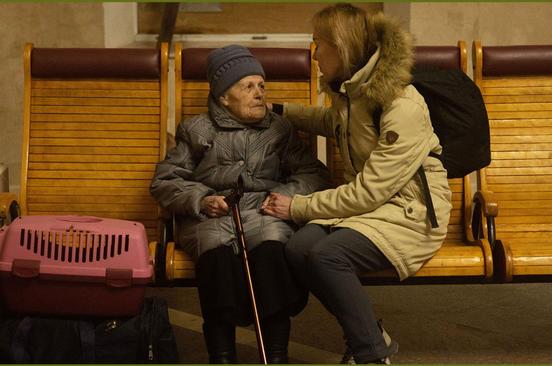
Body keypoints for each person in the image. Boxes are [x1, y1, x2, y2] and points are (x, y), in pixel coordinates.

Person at [262, 3, 452, 364]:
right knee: (298, 248)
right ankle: (369, 332)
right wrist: (280, 111)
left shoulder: (401, 105)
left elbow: (369, 192)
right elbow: (335, 122)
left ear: (342, 46)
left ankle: (371, 353)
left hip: (411, 213)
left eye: (319, 43)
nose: (314, 53)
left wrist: (297, 207)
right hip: (374, 210)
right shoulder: (355, 93)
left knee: (326, 255)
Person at [150, 45, 331, 364]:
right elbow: (165, 182)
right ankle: (222, 357)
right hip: (212, 215)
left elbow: (313, 173)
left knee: (273, 250)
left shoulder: (279, 129)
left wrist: (286, 196)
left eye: (261, 85)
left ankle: (276, 356)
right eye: (247, 86)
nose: (259, 93)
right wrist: (202, 200)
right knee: (217, 257)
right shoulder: (196, 130)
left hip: (264, 211)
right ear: (223, 96)